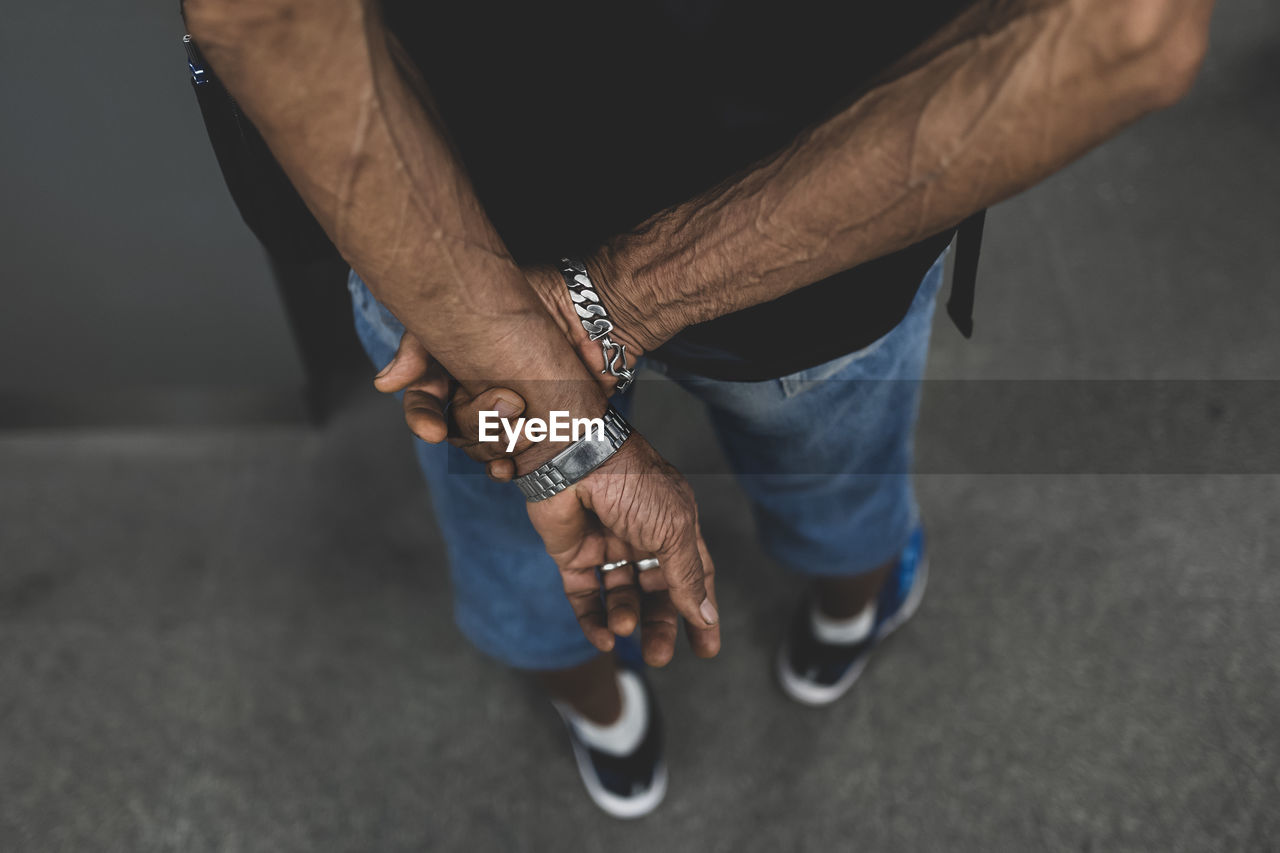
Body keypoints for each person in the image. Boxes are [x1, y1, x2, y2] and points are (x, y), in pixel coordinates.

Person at [184, 0, 1213, 818]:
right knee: (832, 466)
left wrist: (524, 359)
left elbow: (273, 19)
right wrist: (611, 308)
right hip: (816, 241)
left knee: (511, 512)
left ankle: (602, 720)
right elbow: (1121, 30)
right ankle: (843, 619)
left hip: (442, 231)